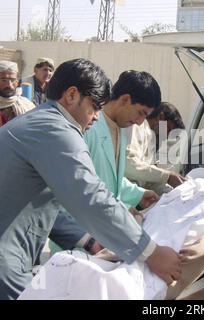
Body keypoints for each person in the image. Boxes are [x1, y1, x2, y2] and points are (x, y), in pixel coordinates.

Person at [0, 59, 182, 300]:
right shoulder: (57, 130)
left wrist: (89, 242)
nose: (97, 117)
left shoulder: (41, 121)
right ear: (72, 95)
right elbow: (91, 196)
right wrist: (151, 252)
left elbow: (40, 204)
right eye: (95, 106)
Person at [49, 70, 162, 254]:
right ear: (125, 99)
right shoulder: (88, 127)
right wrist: (122, 212)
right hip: (80, 238)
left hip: (103, 236)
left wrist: (138, 194)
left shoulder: (120, 129)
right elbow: (82, 187)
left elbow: (108, 179)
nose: (141, 122)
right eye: (141, 113)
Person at [125, 101, 186, 195]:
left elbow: (149, 180)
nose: (166, 137)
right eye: (168, 129)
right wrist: (166, 176)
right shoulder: (135, 126)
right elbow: (130, 166)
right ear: (161, 117)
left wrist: (173, 192)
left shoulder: (150, 135)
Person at [0, 60, 35, 126]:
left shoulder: (26, 105)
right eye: (3, 80)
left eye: (12, 80)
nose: (9, 85)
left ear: (17, 81)